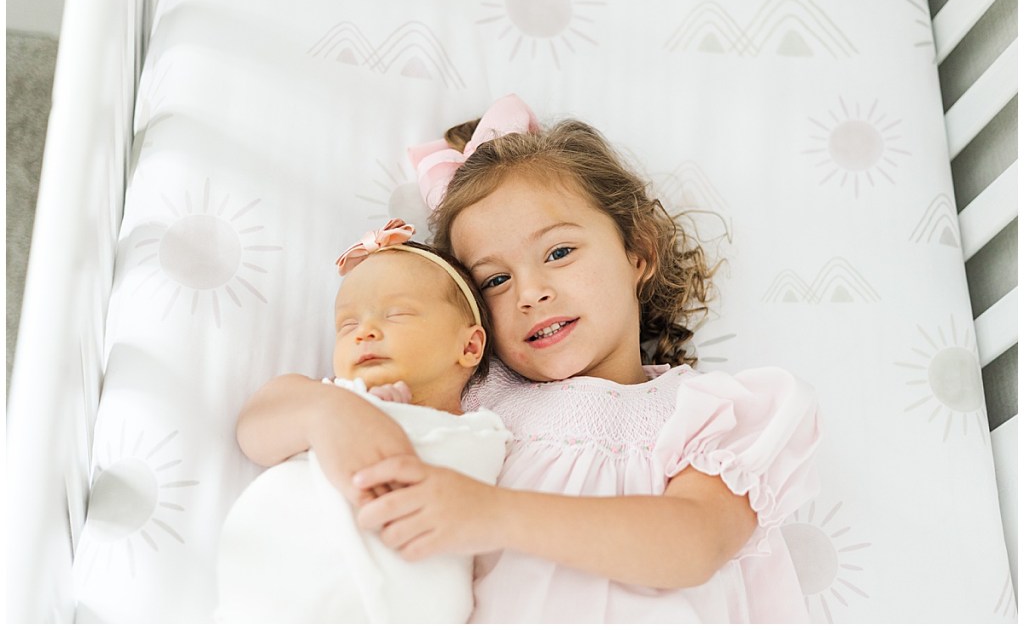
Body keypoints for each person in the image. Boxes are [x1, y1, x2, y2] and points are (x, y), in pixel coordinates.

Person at [236, 95, 822, 623]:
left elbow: (693, 545)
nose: (530, 293)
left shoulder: (707, 414)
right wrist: (327, 412)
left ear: (638, 251)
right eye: (495, 280)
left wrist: (491, 514)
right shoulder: (471, 393)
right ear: (471, 327)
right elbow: (259, 427)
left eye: (559, 252)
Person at [217, 222, 510, 623]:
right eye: (347, 325)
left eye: (397, 314)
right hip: (277, 595)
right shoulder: (328, 396)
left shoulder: (484, 433)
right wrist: (334, 408)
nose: (364, 332)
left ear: (470, 346)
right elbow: (253, 430)